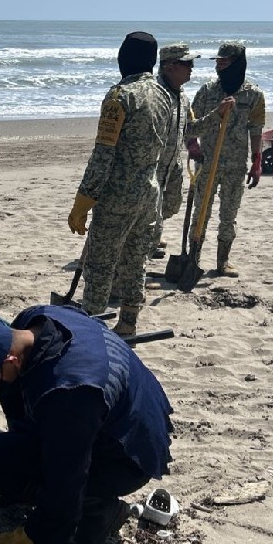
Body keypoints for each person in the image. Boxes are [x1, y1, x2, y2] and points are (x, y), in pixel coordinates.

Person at [0, 305, 173, 544]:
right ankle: (44, 491)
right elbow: (17, 390)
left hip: (129, 454)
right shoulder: (30, 322)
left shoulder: (68, 393)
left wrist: (34, 541)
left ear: (11, 360)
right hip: (104, 416)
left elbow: (67, 475)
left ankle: (99, 511)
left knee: (58, 492)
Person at [67, 32, 175, 336]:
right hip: (149, 191)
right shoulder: (163, 95)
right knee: (135, 260)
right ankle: (128, 321)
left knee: (100, 263)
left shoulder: (120, 96)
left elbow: (103, 156)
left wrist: (82, 202)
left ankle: (90, 328)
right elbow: (166, 146)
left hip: (118, 195)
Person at [185, 41, 266, 278]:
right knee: (201, 214)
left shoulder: (253, 95)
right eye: (218, 62)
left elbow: (256, 129)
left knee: (228, 217)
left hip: (235, 165)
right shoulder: (207, 91)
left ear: (237, 63)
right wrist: (192, 146)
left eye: (224, 62)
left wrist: (257, 161)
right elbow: (190, 125)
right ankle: (193, 259)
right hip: (207, 163)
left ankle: (223, 261)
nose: (219, 66)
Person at [150, 43, 199, 260]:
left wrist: (217, 116)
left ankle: (153, 234)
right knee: (152, 208)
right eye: (186, 63)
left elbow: (190, 126)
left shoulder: (183, 96)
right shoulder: (156, 95)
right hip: (154, 164)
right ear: (169, 66)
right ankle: (149, 241)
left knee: (171, 204)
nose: (192, 68)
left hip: (173, 162)